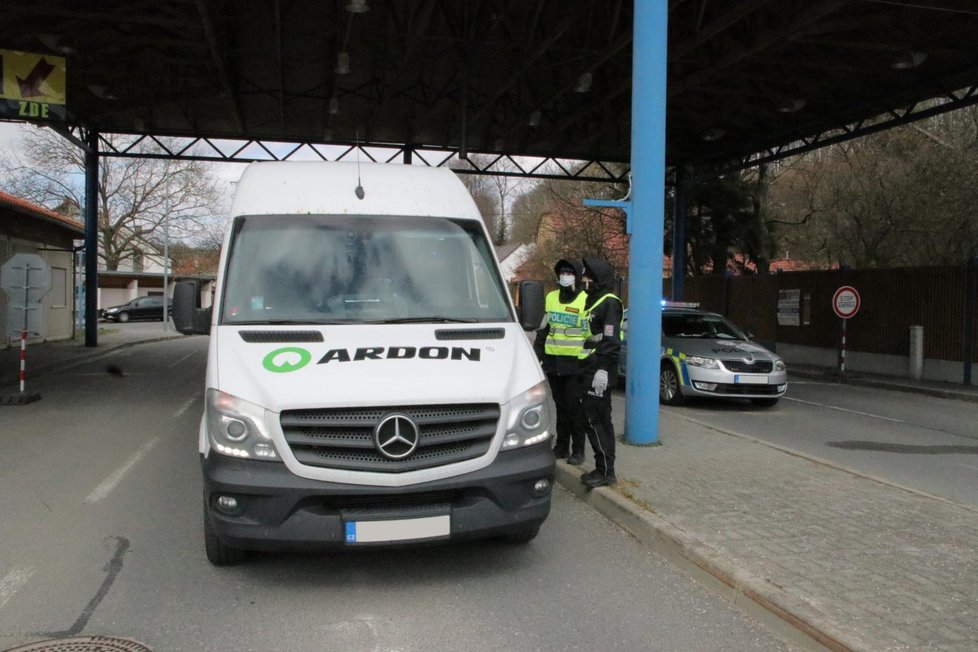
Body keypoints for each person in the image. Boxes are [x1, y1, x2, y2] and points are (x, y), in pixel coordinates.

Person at [533, 259, 589, 465]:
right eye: (562, 272)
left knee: (574, 407)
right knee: (561, 406)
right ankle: (562, 446)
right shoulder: (551, 298)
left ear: (577, 276)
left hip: (575, 364)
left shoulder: (585, 300)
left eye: (569, 272)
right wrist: (535, 356)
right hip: (553, 362)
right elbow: (543, 330)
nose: (565, 275)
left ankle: (579, 450)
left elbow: (589, 334)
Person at [578, 256, 624, 488]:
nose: (586, 281)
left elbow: (611, 340)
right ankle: (602, 467)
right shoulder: (593, 301)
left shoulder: (609, 303)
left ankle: (606, 470)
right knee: (592, 418)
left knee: (596, 419)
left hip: (600, 370)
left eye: (590, 277)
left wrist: (603, 370)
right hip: (589, 367)